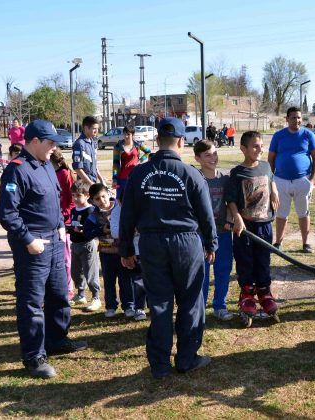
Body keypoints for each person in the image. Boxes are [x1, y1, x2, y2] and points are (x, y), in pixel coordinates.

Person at [119, 117, 217, 379]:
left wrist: (126, 249)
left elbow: (127, 215)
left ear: (156, 141)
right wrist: (211, 243)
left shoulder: (139, 173)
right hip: (186, 242)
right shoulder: (192, 174)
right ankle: (186, 358)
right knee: (191, 302)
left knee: (160, 304)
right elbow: (206, 216)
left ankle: (160, 365)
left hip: (151, 244)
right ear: (182, 141)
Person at [0, 119, 87, 379]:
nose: (54, 147)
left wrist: (60, 225)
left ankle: (57, 340)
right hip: (33, 246)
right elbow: (7, 213)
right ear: (34, 141)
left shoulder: (46, 164)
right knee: (32, 302)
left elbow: (55, 201)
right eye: (50, 142)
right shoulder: (17, 170)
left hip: (55, 241)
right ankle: (34, 356)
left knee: (59, 294)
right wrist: (28, 240)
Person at [225, 131, 280, 325]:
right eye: (255, 146)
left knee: (263, 260)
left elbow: (270, 178)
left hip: (264, 225)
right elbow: (230, 200)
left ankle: (264, 292)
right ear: (243, 149)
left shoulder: (265, 166)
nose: (260, 149)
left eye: (261, 146)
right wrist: (237, 218)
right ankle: (247, 294)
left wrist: (274, 191)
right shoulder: (237, 172)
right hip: (245, 228)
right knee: (245, 260)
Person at [268, 107, 315, 253]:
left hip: (302, 181)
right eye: (293, 117)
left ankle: (306, 243)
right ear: (287, 119)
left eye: (299, 118)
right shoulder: (278, 136)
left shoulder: (308, 135)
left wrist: (312, 180)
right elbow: (271, 159)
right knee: (281, 213)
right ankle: (278, 243)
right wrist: (271, 181)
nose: (296, 120)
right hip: (280, 181)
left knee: (303, 213)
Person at [193, 140, 234, 321]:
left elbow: (232, 203)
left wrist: (231, 218)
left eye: (214, 153)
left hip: (223, 234)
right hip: (201, 236)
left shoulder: (225, 178)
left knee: (223, 270)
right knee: (202, 272)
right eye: (207, 155)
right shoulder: (195, 178)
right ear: (198, 158)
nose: (213, 158)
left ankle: (220, 305)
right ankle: (199, 308)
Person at [83, 183, 133, 318]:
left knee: (126, 280)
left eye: (103, 196)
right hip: (106, 254)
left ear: (109, 194)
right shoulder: (93, 215)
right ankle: (111, 306)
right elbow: (87, 234)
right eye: (97, 199)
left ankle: (129, 306)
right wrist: (100, 230)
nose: (102, 201)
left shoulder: (120, 208)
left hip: (122, 252)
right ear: (92, 201)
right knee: (109, 281)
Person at [109, 193, 147, 321]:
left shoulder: (143, 207)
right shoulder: (117, 211)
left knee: (150, 279)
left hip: (146, 250)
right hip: (130, 251)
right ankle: (135, 307)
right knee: (133, 281)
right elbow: (114, 232)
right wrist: (129, 229)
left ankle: (149, 305)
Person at [66, 181, 101, 309]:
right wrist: (68, 229)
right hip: (75, 245)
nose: (75, 198)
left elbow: (94, 228)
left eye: (78, 195)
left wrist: (82, 230)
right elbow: (74, 226)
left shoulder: (91, 210)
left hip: (87, 245)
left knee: (90, 272)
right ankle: (81, 294)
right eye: (73, 195)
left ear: (87, 196)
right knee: (76, 271)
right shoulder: (74, 210)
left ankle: (96, 297)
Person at [51, 149, 76, 300]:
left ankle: (69, 290)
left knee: (67, 258)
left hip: (64, 222)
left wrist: (64, 214)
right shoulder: (52, 172)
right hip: (53, 220)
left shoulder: (65, 174)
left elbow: (71, 200)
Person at [112, 125, 152, 199]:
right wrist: (114, 179)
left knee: (136, 199)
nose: (126, 136)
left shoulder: (138, 144)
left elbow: (148, 152)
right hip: (122, 178)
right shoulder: (118, 146)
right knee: (120, 200)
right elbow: (116, 164)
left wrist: (140, 161)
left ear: (133, 135)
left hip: (135, 176)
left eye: (128, 134)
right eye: (124, 134)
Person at [72, 116, 106, 186]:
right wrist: (90, 183)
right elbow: (78, 168)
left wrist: (101, 179)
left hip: (93, 183)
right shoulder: (79, 144)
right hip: (84, 186)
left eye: (97, 129)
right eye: (94, 129)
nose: (96, 131)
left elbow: (94, 165)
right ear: (86, 128)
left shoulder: (92, 141)